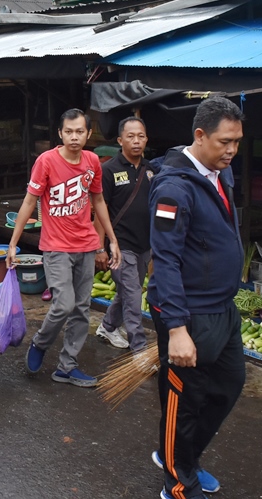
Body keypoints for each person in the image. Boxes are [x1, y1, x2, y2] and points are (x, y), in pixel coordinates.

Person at [147, 96, 246, 499]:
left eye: (237, 141)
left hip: (222, 308)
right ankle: (179, 482)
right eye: (225, 141)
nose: (232, 150)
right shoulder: (173, 188)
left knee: (228, 385)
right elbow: (165, 260)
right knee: (184, 402)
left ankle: (181, 456)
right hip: (189, 313)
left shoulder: (222, 172)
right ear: (200, 135)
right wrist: (177, 329)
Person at [6, 109, 120, 388]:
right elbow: (29, 202)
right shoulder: (46, 161)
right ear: (60, 133)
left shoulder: (93, 161)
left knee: (82, 308)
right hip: (56, 246)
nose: (74, 137)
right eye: (68, 131)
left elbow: (99, 202)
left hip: (86, 245)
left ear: (88, 133)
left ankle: (67, 367)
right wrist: (13, 243)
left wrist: (111, 240)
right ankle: (40, 343)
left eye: (80, 131)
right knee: (64, 303)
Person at [96, 116, 154, 352]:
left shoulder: (151, 170)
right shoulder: (108, 170)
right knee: (132, 297)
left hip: (144, 246)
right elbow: (100, 211)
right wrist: (100, 248)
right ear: (120, 140)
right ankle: (139, 348)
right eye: (130, 136)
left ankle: (108, 326)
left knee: (129, 292)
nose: (136, 141)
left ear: (146, 139)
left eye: (140, 136)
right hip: (120, 247)